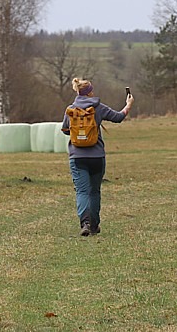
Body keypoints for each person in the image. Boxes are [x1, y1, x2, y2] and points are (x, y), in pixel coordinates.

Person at [61, 78, 134, 236]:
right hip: (97, 157)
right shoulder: (98, 107)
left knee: (81, 191)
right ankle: (94, 225)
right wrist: (128, 104)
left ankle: (85, 223)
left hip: (77, 157)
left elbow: (66, 130)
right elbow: (119, 117)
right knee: (94, 191)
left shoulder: (70, 109)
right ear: (90, 92)